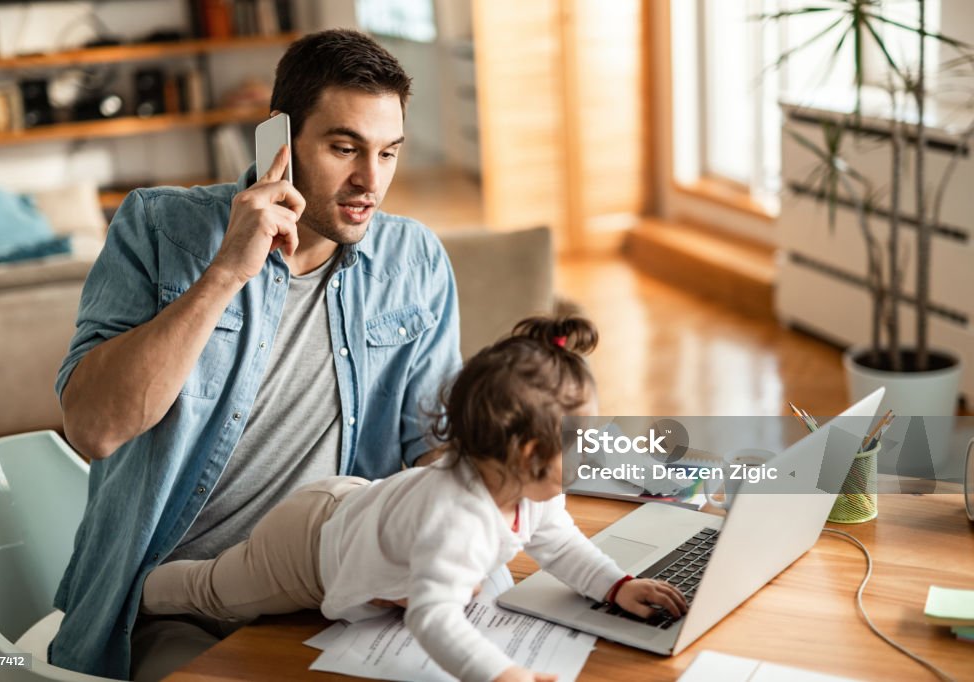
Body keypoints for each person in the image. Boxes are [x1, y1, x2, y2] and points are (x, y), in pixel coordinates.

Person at [49, 29, 461, 679]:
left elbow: (436, 448)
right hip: (177, 610)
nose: (369, 181)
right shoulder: (158, 228)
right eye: (344, 147)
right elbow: (94, 429)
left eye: (388, 153)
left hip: (338, 600)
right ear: (280, 141)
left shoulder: (415, 261)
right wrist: (224, 276)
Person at [138, 317, 688, 682]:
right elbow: (434, 618)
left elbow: (560, 543)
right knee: (212, 590)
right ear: (525, 453)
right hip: (303, 553)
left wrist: (616, 585)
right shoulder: (460, 519)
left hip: (357, 507)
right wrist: (501, 675)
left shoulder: (528, 492)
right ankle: (133, 594)